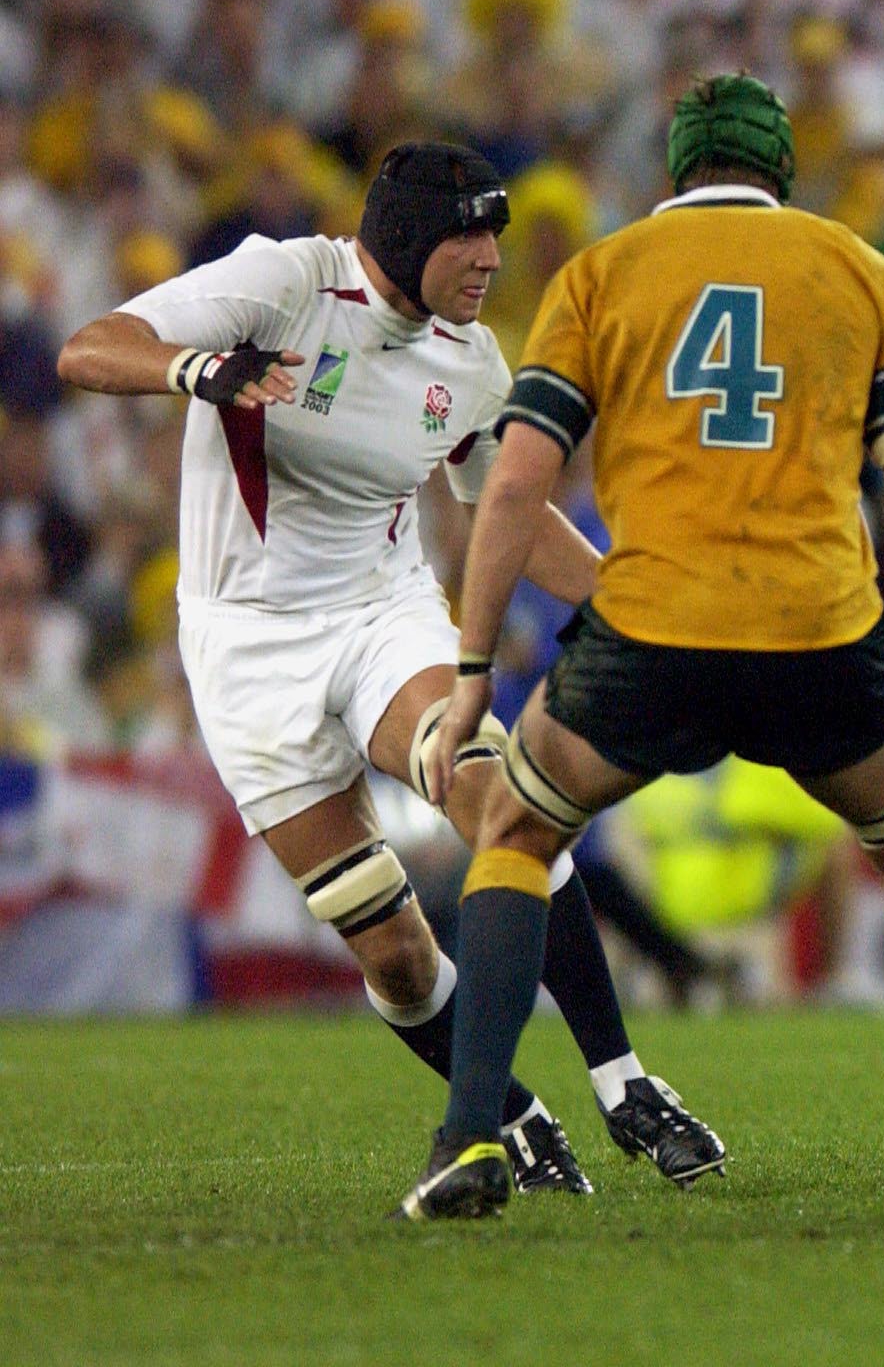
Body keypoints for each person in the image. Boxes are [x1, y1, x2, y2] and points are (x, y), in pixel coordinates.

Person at [398, 75, 884, 1222]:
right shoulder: (862, 272)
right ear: (781, 169)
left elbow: (516, 480)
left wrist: (474, 674)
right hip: (816, 630)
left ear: (676, 169)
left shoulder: (601, 274)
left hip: (649, 628)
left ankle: (472, 1136)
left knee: (517, 831)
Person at [54, 143, 722, 1196]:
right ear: (408, 237)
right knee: (398, 955)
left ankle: (623, 1077)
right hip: (242, 645)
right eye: (471, 233)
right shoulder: (283, 280)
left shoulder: (469, 358)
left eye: (498, 235)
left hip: (382, 612)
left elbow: (508, 505)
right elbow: (91, 348)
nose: (491, 257)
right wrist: (194, 367)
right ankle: (512, 1115)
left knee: (499, 802)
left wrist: (625, 604)